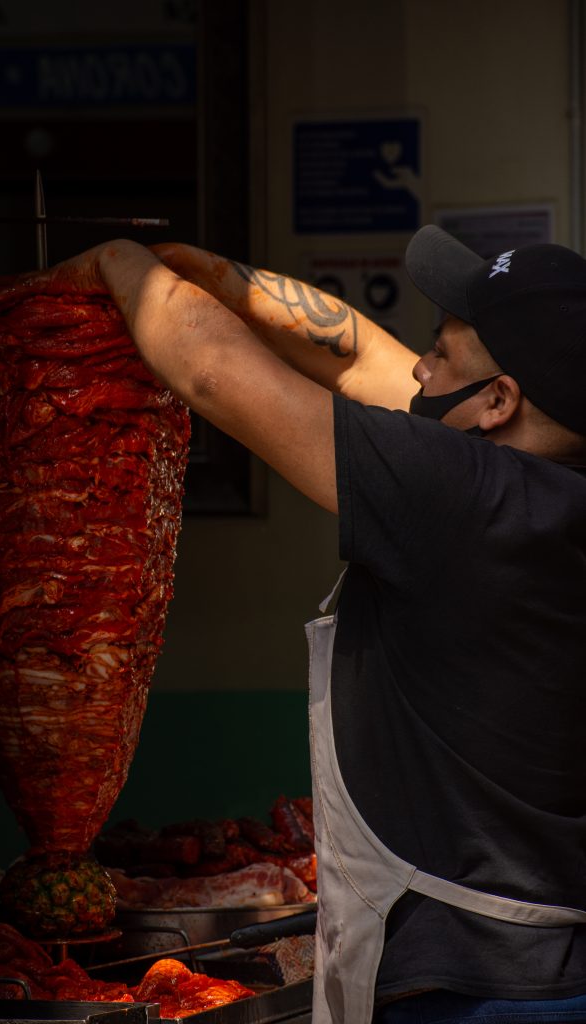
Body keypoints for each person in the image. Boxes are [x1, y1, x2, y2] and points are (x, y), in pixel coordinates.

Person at [29, 225, 586, 1023]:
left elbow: (213, 371)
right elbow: (357, 356)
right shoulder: (542, 487)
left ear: (498, 403)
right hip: (554, 957)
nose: (419, 369)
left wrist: (119, 261)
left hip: (470, 986)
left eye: (440, 351)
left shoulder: (462, 496)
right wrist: (217, 277)